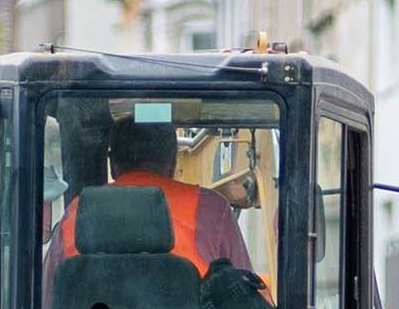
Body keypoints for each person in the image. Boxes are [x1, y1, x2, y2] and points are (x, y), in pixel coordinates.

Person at [43, 117, 254, 286]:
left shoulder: (77, 213)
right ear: (172, 162)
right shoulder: (212, 210)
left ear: (113, 164)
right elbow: (246, 297)